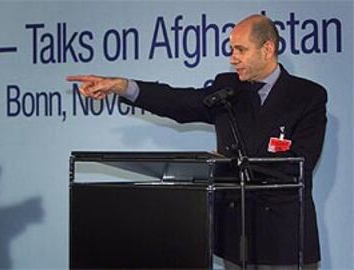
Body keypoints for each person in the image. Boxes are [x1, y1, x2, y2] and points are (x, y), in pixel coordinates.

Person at [66, 14, 327, 269]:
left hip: (286, 241)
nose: (232, 58)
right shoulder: (228, 88)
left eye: (240, 49)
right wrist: (123, 86)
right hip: (238, 241)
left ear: (267, 49)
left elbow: (299, 164)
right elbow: (179, 102)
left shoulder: (307, 96)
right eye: (231, 49)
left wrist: (226, 166)